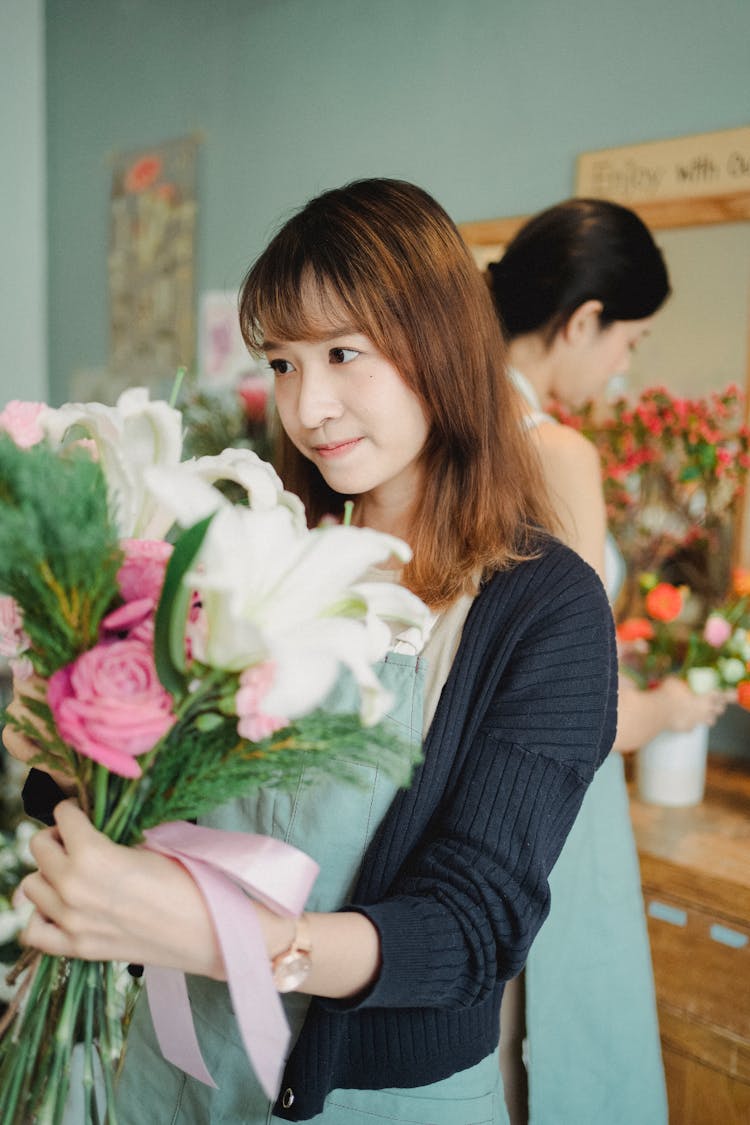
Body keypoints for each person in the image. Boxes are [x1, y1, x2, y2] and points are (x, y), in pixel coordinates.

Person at [5, 179, 617, 1125]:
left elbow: (472, 927)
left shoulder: (546, 611)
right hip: (173, 1069)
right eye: (283, 364)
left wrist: (237, 940)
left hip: (369, 1099)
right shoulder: (251, 542)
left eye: (343, 353)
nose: (310, 404)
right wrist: (63, 747)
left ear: (444, 346)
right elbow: (152, 797)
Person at [488, 197, 732, 1125]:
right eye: (629, 340)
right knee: (549, 1054)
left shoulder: (449, 423)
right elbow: (585, 707)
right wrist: (669, 707)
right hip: (550, 799)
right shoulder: (553, 451)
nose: (628, 367)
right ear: (583, 320)